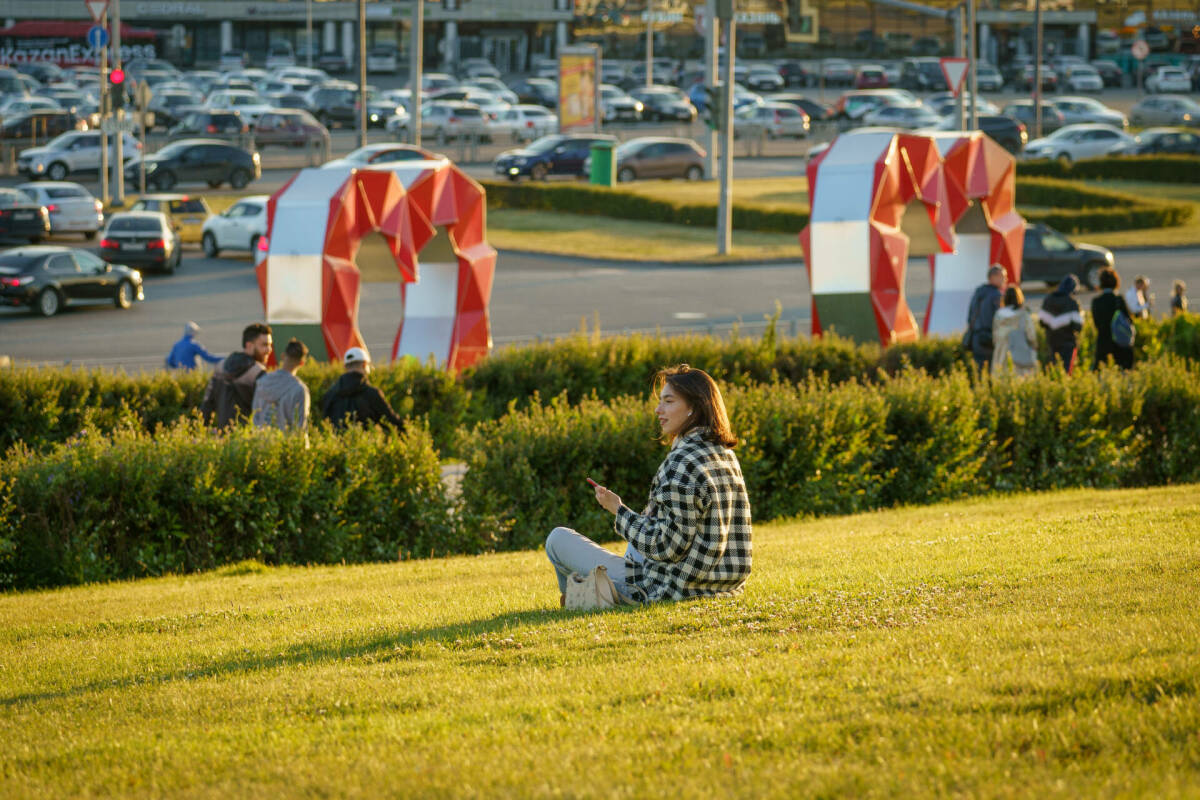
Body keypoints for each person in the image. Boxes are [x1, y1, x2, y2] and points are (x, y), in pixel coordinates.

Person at [545, 364, 752, 605]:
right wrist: (639, 515)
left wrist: (618, 511)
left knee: (557, 539)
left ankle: (586, 596)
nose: (658, 409)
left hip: (669, 587)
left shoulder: (681, 463)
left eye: (668, 401)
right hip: (721, 583)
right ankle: (587, 593)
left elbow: (666, 547)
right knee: (637, 538)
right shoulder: (724, 454)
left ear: (694, 407)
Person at [200, 323, 273, 429]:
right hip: (247, 440)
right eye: (264, 345)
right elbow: (265, 413)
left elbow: (206, 406)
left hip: (222, 440)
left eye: (270, 345)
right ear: (249, 345)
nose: (269, 349)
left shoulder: (220, 367)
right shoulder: (258, 373)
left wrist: (201, 433)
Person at [320, 346, 405, 430]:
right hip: (364, 442)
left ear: (345, 367)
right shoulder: (372, 394)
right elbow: (392, 421)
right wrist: (410, 430)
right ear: (364, 365)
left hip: (335, 443)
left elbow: (325, 423)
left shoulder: (330, 394)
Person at [251, 337, 310, 433]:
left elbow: (254, 418)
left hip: (260, 443)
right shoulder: (299, 389)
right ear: (302, 363)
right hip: (285, 445)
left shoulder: (262, 382)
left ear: (282, 356)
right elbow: (300, 427)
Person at [1037, 275, 1084, 373]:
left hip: (1052, 341)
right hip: (1068, 343)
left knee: (1053, 369)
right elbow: (1078, 326)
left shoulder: (1048, 299)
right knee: (1066, 371)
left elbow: (1041, 322)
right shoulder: (1072, 302)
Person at [964, 265, 1006, 372]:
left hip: (975, 338)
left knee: (979, 370)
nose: (1005, 280)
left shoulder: (979, 292)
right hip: (988, 338)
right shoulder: (996, 295)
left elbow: (970, 316)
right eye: (1003, 276)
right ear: (993, 277)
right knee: (991, 371)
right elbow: (1000, 319)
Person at [1091, 267, 1134, 370]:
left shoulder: (1096, 301)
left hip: (1103, 342)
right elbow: (1129, 320)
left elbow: (1096, 323)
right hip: (1120, 342)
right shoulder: (1118, 300)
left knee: (1102, 373)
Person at [992, 286, 1039, 375]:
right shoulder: (1023, 315)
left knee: (1002, 378)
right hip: (1020, 353)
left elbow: (995, 336)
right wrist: (1034, 346)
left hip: (1001, 352)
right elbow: (1031, 336)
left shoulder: (998, 315)